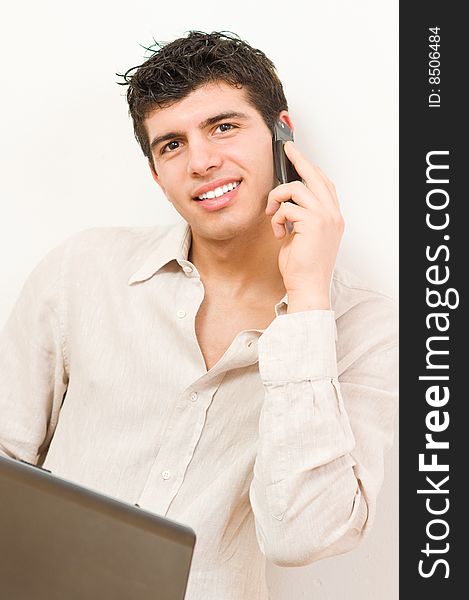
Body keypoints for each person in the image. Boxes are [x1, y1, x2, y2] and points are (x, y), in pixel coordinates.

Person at [0, 31, 398, 600]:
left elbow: (301, 536)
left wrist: (307, 298)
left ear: (282, 136)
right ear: (156, 175)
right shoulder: (81, 272)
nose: (202, 162)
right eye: (171, 145)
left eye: (224, 126)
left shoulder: (365, 327)